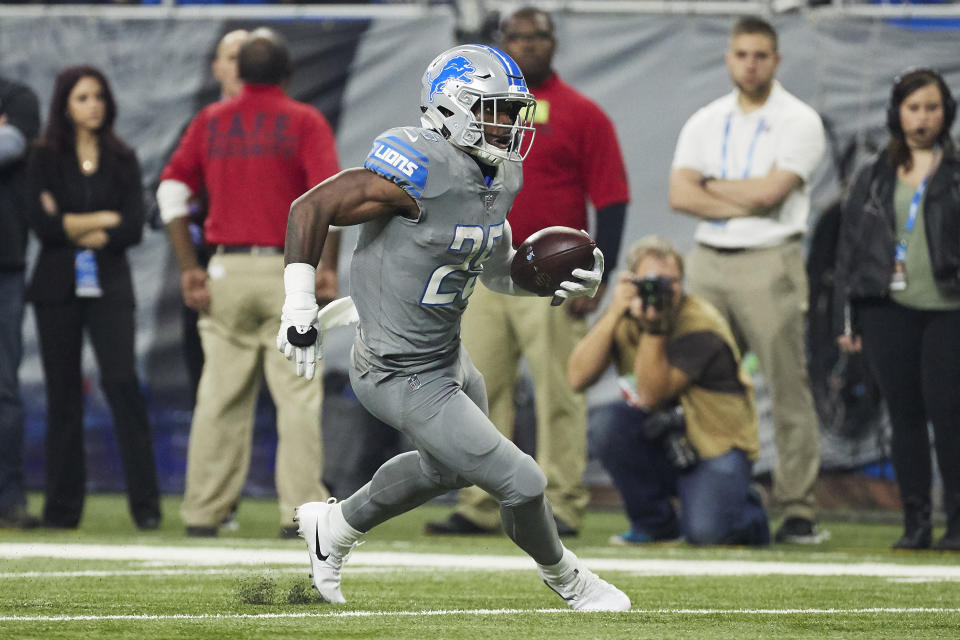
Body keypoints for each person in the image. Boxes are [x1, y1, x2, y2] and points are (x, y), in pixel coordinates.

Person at [277, 44, 629, 611]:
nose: (509, 123)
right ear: (450, 109)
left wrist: (551, 283)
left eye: (512, 110)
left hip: (448, 358)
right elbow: (309, 208)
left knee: (447, 471)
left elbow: (496, 272)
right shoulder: (419, 165)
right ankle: (569, 579)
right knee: (524, 482)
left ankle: (335, 527)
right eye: (493, 109)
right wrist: (297, 305)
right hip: (397, 370)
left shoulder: (499, 173)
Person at [426, 6, 629, 538]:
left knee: (560, 393)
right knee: (476, 393)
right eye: (517, 36)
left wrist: (598, 272)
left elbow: (612, 199)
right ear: (502, 43)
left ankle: (561, 501)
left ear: (554, 42)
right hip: (485, 267)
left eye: (537, 36)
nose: (528, 44)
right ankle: (479, 502)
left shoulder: (583, 114)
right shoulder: (477, 113)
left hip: (551, 279)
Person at [156, 27, 341, 538]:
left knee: (218, 398)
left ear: (238, 72)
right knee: (298, 397)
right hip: (290, 271)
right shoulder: (305, 121)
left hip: (226, 271)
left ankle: (203, 512)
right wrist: (326, 268)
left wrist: (190, 265)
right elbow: (329, 199)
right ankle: (300, 515)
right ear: (287, 72)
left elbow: (172, 189)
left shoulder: (211, 121)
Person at [667, 16, 827, 544]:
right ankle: (697, 494)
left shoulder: (799, 120)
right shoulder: (705, 120)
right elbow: (679, 195)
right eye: (742, 54)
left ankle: (798, 507)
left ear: (776, 60)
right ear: (729, 57)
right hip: (709, 258)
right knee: (693, 378)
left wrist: (711, 184)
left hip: (770, 258)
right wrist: (744, 193)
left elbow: (770, 196)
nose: (750, 63)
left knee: (785, 383)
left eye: (760, 54)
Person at [25, 66, 161, 530]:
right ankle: (62, 511)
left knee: (122, 384)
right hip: (56, 286)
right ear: (65, 103)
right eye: (83, 97)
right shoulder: (43, 157)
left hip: (110, 285)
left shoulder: (122, 158)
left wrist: (72, 221)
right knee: (63, 395)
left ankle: (146, 507)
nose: (94, 104)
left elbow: (131, 225)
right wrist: (97, 219)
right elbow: (44, 226)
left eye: (99, 96)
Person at [568, 236, 770, 547]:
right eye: (651, 281)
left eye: (670, 282)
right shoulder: (627, 315)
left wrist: (653, 329)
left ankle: (747, 509)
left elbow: (651, 395)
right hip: (667, 435)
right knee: (606, 423)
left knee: (707, 534)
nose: (660, 291)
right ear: (632, 280)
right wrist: (613, 312)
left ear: (682, 283)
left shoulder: (701, 324)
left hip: (716, 443)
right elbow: (577, 377)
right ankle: (655, 524)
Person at [834, 69, 960, 551]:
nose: (923, 117)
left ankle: (958, 523)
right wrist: (846, 319)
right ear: (897, 113)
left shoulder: (956, 169)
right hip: (887, 307)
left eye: (932, 107)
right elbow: (849, 251)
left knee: (948, 414)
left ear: (946, 111)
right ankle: (916, 523)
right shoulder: (873, 175)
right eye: (913, 107)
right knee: (903, 416)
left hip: (949, 307)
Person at [0, 74, 40, 530]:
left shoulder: (17, 95)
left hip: (4, 265)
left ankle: (9, 499)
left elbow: (10, 145)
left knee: (4, 388)